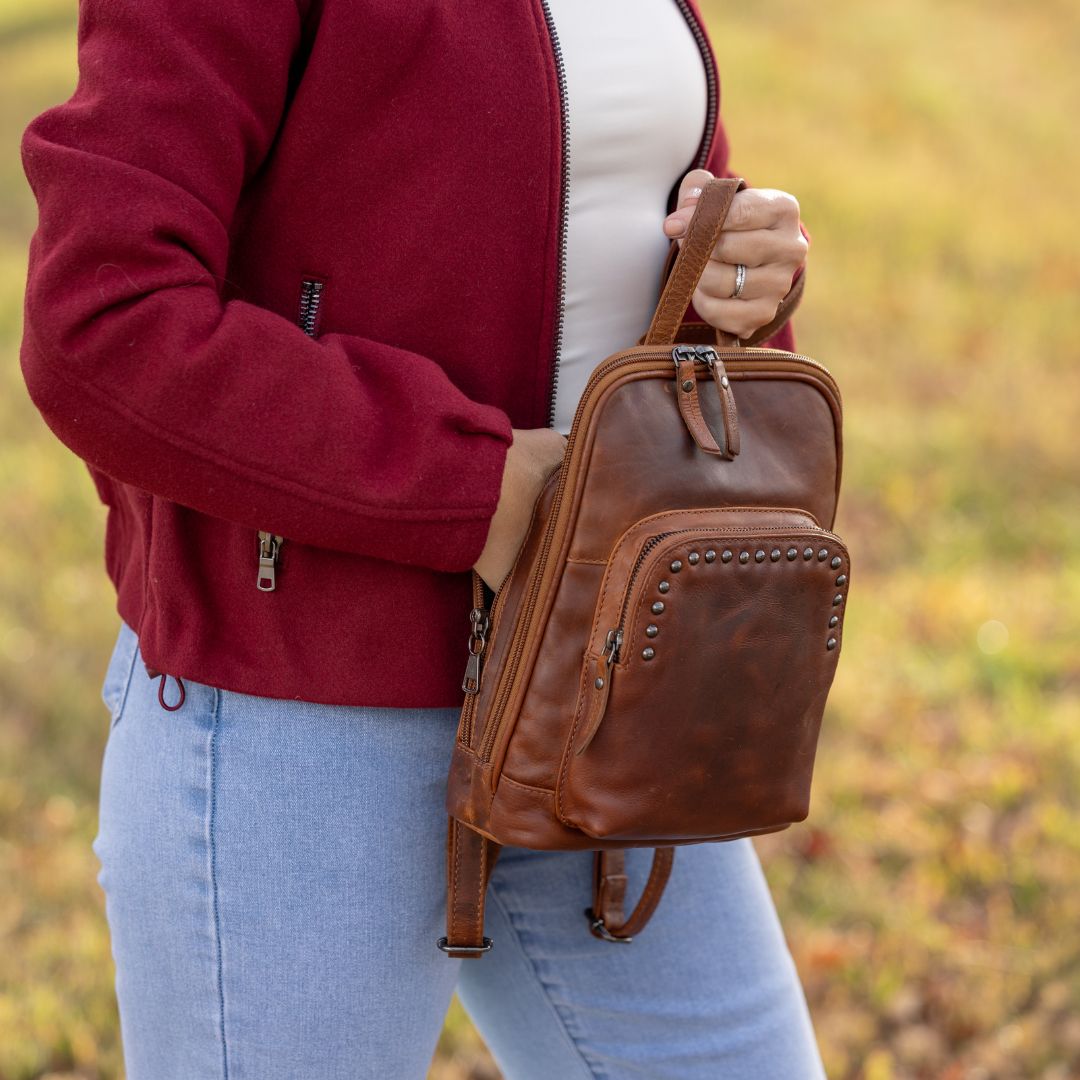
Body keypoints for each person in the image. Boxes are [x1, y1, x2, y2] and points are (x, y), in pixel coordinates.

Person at [19, 0, 820, 1075]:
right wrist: (472, 489)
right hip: (304, 714)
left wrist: (736, 282)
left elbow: (590, 223)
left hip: (604, 687)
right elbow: (103, 323)